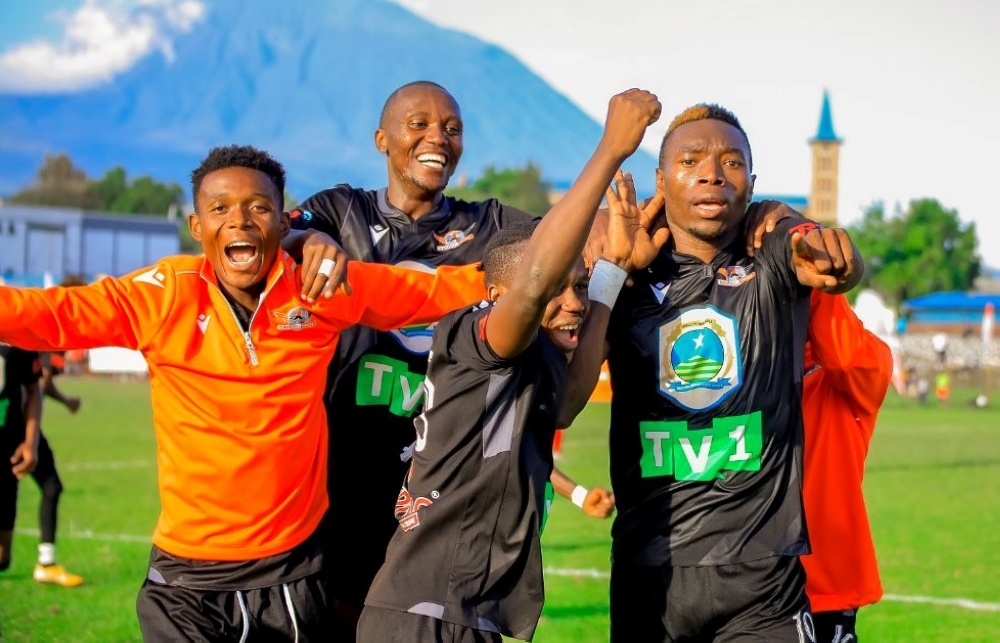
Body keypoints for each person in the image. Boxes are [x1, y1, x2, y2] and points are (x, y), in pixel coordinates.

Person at [0, 144, 489, 641]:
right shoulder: (164, 293)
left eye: (258, 208)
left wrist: (542, 272)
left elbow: (437, 292)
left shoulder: (318, 289)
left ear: (284, 223)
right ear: (196, 227)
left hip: (290, 579)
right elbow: (45, 315)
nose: (240, 221)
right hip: (187, 584)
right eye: (220, 209)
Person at [357, 87, 662, 642]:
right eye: (558, 289)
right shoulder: (473, 340)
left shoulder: (534, 360)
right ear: (495, 292)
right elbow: (534, 284)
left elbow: (568, 404)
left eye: (580, 288)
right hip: (426, 614)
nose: (573, 302)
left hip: (469, 613)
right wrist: (611, 150)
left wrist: (611, 271)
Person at [563, 102, 864, 641]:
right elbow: (564, 403)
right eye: (691, 159)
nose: (711, 173)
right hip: (649, 576)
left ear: (751, 183)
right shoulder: (625, 276)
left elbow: (821, 259)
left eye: (731, 162)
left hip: (762, 581)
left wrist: (832, 251)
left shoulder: (769, 253)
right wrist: (608, 272)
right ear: (660, 179)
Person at [283, 80, 550, 637]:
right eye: (420, 125)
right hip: (344, 476)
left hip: (440, 486)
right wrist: (307, 242)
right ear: (383, 139)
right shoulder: (340, 211)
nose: (438, 138)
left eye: (452, 129)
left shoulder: (490, 225)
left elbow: (576, 233)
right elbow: (274, 232)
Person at [801, 291, 892, 642]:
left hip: (824, 590)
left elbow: (842, 354)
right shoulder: (747, 359)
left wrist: (809, 265)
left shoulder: (869, 359)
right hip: (742, 579)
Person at [28, 275, 88, 588]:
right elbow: (40, 383)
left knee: (51, 487)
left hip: (16, 420)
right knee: (51, 486)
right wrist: (67, 402)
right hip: (16, 425)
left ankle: (46, 561)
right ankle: (45, 563)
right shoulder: (55, 330)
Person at [0, 345, 43, 574]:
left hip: (7, 453)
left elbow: (34, 390)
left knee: (2, 557)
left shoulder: (19, 340)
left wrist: (31, 442)